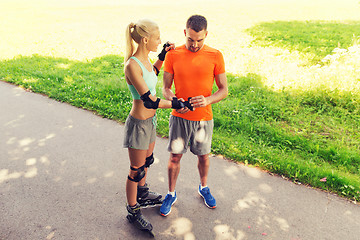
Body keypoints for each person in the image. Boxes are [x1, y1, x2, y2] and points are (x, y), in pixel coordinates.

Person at [160, 15, 228, 216]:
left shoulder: (215, 55)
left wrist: (208, 100)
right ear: (185, 33)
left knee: (204, 156)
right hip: (179, 117)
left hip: (204, 118)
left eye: (200, 40)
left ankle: (203, 187)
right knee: (174, 157)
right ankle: (171, 193)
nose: (195, 44)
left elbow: (223, 90)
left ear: (206, 34)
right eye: (190, 39)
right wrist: (174, 100)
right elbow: (165, 88)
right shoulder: (173, 54)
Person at [123, 19, 187, 235]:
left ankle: (142, 192)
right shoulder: (132, 65)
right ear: (145, 39)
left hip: (150, 122)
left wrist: (163, 55)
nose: (160, 41)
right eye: (158, 39)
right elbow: (149, 100)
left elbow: (152, 75)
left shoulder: (146, 61)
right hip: (139, 124)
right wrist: (176, 103)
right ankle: (133, 209)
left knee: (147, 161)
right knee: (136, 169)